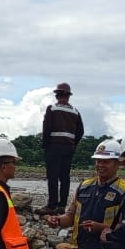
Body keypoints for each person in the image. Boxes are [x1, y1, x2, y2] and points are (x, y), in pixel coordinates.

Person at [41, 82, 84, 213]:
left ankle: (52, 205)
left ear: (57, 95)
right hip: (68, 148)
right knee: (65, 176)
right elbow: (80, 131)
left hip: (54, 146)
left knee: (53, 176)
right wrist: (73, 143)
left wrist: (45, 145)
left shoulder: (52, 109)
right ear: (68, 96)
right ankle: (62, 206)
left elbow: (46, 129)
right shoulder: (75, 112)